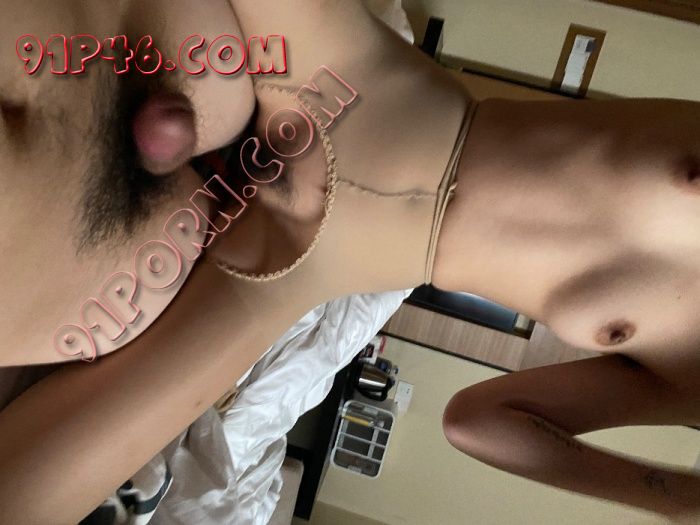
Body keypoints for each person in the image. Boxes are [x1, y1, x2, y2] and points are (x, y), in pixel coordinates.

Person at [0, 0, 698, 522]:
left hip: (324, 263)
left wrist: (677, 499)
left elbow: (481, 419)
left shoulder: (689, 383)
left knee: (23, 494)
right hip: (372, 93)